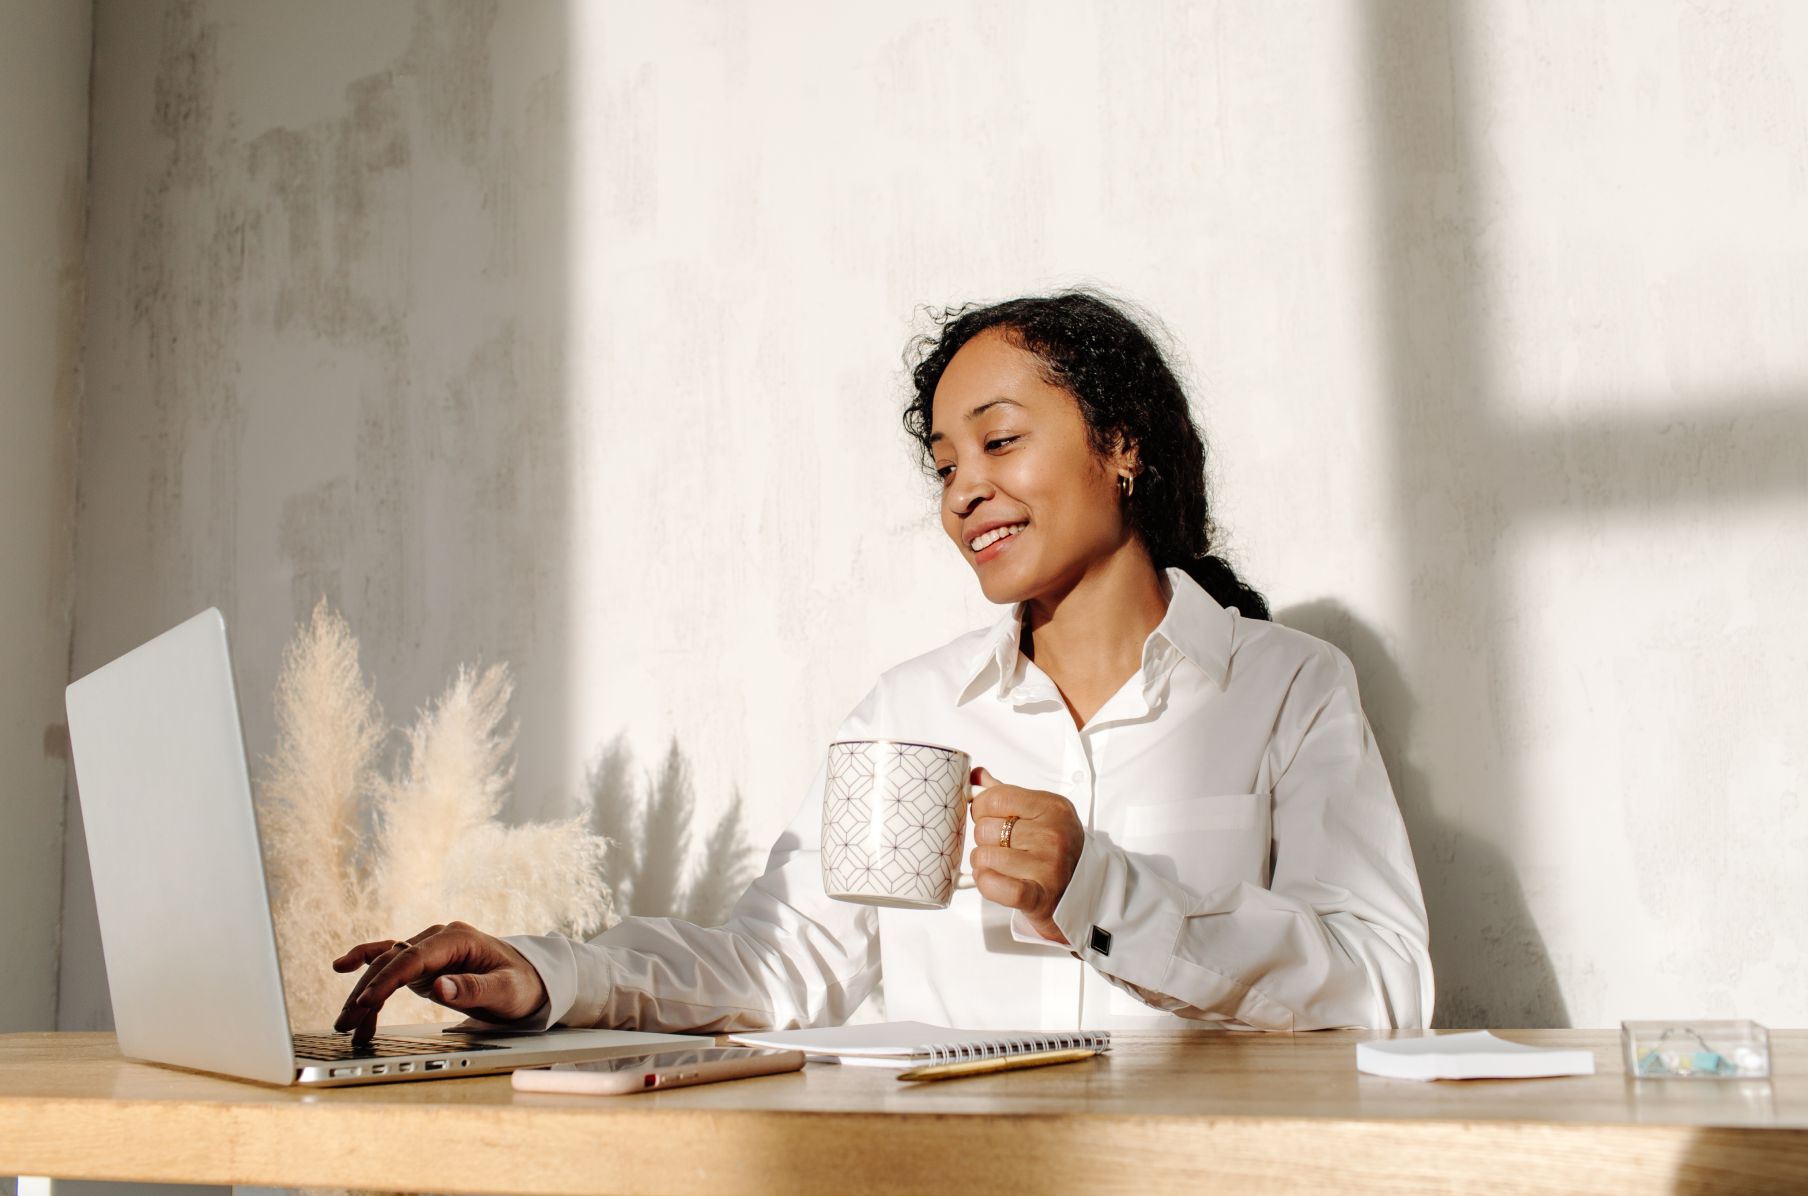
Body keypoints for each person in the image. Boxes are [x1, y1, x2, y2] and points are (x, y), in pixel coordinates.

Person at [333, 291, 1433, 1040]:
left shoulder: (1287, 688)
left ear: (1122, 442)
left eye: (1000, 441)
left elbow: (1386, 989)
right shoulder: (911, 710)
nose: (963, 491)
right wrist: (547, 972)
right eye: (944, 464)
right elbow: (775, 961)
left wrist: (1100, 890)